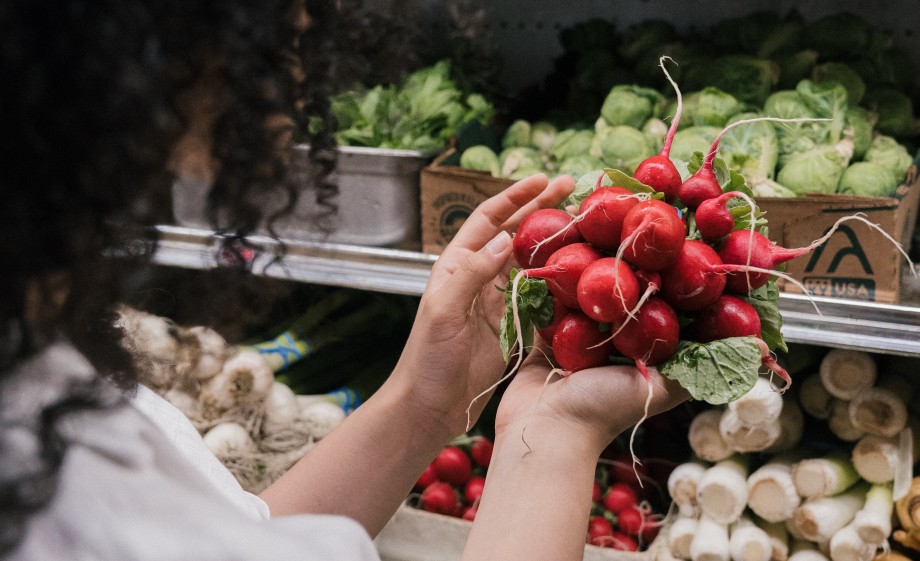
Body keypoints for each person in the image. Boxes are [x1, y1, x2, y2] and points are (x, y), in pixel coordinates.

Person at [0, 1, 688, 560]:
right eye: (276, 52)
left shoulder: (39, 371)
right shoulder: (52, 484)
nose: (300, 91)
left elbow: (244, 540)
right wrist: (555, 434)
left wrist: (428, 401)